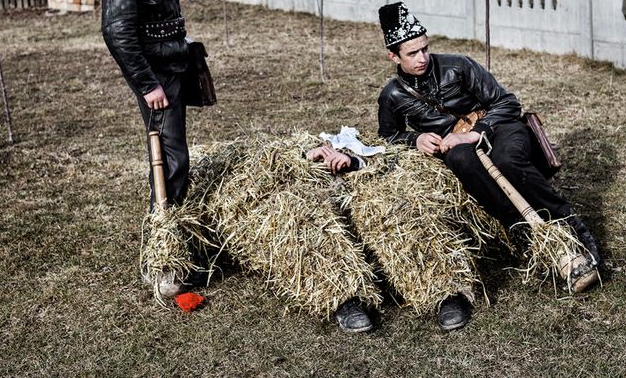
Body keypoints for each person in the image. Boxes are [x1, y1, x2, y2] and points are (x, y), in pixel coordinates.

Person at [375, 2, 601, 279]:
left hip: (498, 127)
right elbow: (388, 137)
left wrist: (475, 131)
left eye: (425, 48)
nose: (422, 57)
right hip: (456, 148)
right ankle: (524, 234)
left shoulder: (458, 65)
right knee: (461, 160)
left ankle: (570, 223)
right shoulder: (392, 95)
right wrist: (417, 138)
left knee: (507, 159)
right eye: (412, 53)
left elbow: (507, 103)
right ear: (393, 56)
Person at [187, 131, 497, 333]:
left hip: (357, 184)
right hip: (308, 191)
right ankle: (346, 299)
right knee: (301, 218)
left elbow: (383, 155)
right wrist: (308, 158)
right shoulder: (279, 152)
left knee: (395, 209)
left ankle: (444, 292)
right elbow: (266, 176)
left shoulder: (352, 139)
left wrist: (351, 160)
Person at [102, 0, 205, 296]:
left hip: (172, 70)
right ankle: (162, 265)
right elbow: (117, 30)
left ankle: (172, 251)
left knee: (175, 160)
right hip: (158, 78)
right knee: (170, 162)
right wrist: (148, 84)